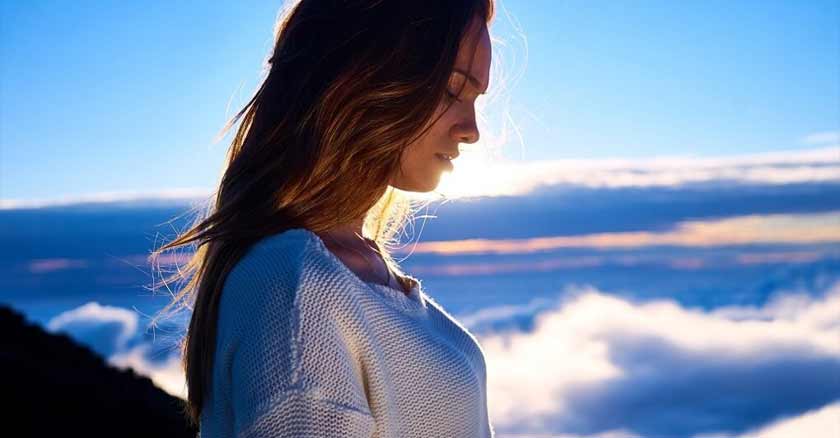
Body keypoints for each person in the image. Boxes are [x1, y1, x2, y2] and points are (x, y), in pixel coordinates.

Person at [151, 0, 496, 436]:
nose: (472, 129)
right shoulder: (296, 288)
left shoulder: (346, 270)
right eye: (451, 89)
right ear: (362, 76)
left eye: (475, 97)